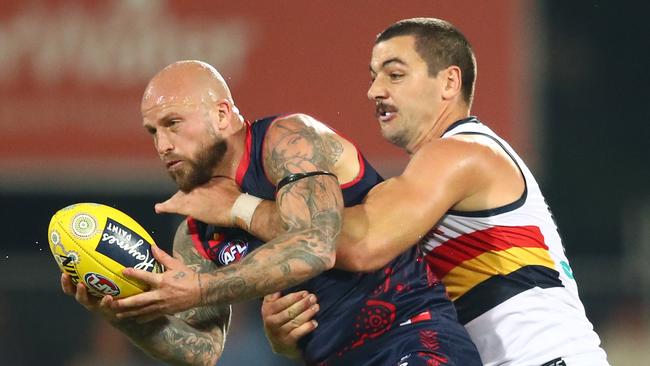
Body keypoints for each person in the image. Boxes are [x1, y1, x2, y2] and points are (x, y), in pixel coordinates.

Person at [158, 18, 611, 366]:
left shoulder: (461, 154)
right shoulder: (431, 172)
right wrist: (287, 339)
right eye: (373, 75)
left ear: (449, 82)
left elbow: (355, 244)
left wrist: (239, 207)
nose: (374, 89)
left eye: (394, 74)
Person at [61, 60, 481, 365]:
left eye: (173, 123)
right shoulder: (194, 233)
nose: (163, 144)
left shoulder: (285, 140)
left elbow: (317, 246)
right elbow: (203, 350)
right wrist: (125, 316)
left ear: (223, 115)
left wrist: (203, 288)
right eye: (153, 132)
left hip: (413, 339)